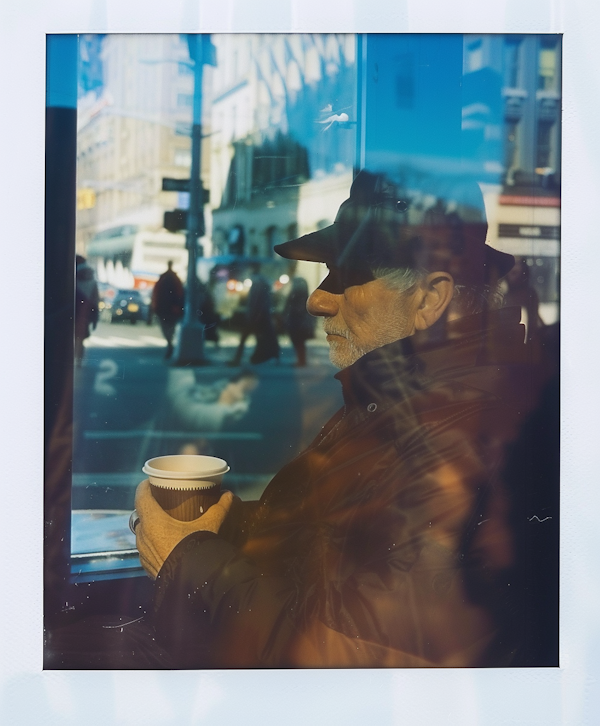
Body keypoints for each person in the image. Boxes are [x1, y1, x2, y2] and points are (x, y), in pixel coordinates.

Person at [134, 170, 556, 668]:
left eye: (347, 274)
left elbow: (346, 664)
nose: (317, 299)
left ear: (429, 299)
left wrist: (190, 562)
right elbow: (341, 546)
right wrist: (229, 524)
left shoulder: (458, 440)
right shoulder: (405, 401)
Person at [230, 263, 280, 365]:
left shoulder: (257, 282)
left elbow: (256, 301)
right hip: (261, 314)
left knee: (247, 337)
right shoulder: (263, 281)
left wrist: (254, 315)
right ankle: (272, 356)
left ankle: (238, 360)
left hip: (256, 315)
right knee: (266, 336)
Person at [151, 261, 184, 359]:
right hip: (172, 309)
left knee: (166, 328)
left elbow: (156, 294)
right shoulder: (176, 279)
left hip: (163, 308)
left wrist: (155, 307)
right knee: (170, 328)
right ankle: (170, 344)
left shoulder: (162, 278)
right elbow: (180, 294)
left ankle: (170, 344)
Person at [283, 276, 315, 366]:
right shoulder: (305, 297)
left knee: (298, 341)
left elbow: (290, 309)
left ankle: (301, 360)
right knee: (299, 342)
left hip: (297, 323)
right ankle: (301, 360)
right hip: (299, 323)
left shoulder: (295, 297)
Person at [74, 255, 99, 366]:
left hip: (73, 310)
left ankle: (72, 358)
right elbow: (95, 299)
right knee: (80, 338)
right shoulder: (92, 280)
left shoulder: (72, 277)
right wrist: (95, 318)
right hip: (86, 311)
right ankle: (79, 359)